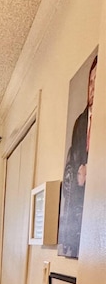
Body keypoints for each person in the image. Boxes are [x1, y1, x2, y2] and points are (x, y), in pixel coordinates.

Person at [58, 54, 98, 258]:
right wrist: (78, 175)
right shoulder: (80, 122)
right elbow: (70, 163)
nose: (93, 88)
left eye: (97, 83)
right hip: (78, 211)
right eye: (90, 83)